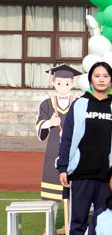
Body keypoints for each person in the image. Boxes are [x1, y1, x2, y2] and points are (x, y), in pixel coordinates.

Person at [57, 62, 112, 235]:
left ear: (111, 80)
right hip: (81, 173)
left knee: (105, 221)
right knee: (78, 220)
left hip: (106, 175)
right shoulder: (79, 105)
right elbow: (67, 137)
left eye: (105, 76)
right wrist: (63, 167)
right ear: (90, 79)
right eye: (97, 76)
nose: (101, 79)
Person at [35, 64, 80, 209]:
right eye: (59, 83)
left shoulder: (79, 102)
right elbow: (40, 124)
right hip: (53, 148)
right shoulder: (47, 104)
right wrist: (50, 123)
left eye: (67, 83)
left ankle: (73, 220)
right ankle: (50, 220)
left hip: (74, 148)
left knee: (76, 190)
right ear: (54, 83)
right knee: (52, 191)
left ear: (72, 84)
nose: (63, 86)